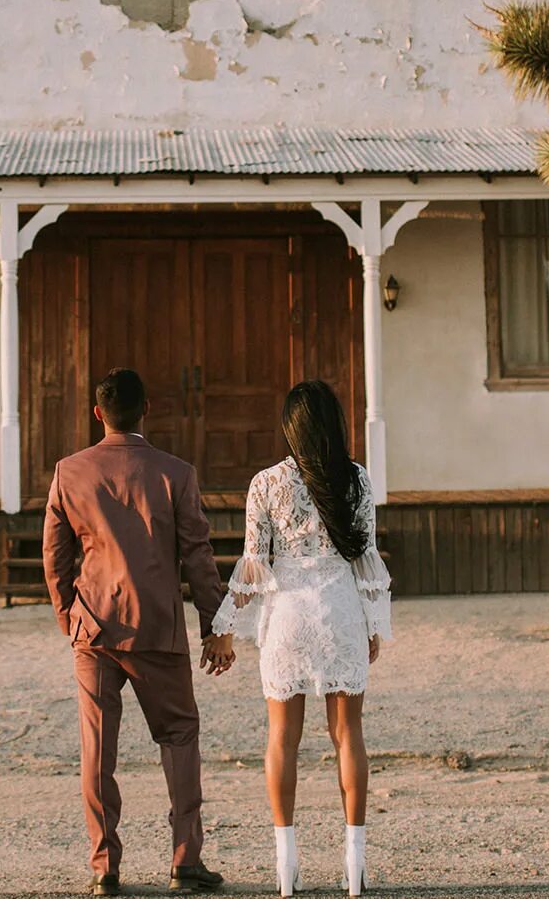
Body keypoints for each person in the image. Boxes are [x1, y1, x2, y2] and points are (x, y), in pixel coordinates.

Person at [43, 367, 237, 895]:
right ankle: (185, 861)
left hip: (95, 630)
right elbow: (198, 555)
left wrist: (70, 618)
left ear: (98, 413)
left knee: (97, 748)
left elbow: (55, 557)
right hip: (157, 628)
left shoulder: (69, 472)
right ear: (146, 408)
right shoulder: (176, 473)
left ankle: (105, 866)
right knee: (179, 738)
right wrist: (214, 627)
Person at [213, 380, 392, 897]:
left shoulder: (265, 483)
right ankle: (354, 865)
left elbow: (254, 565)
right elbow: (365, 557)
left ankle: (285, 865)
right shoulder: (356, 479)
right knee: (348, 735)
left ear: (291, 427)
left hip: (288, 615)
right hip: (340, 612)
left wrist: (224, 626)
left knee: (281, 739)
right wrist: (373, 623)